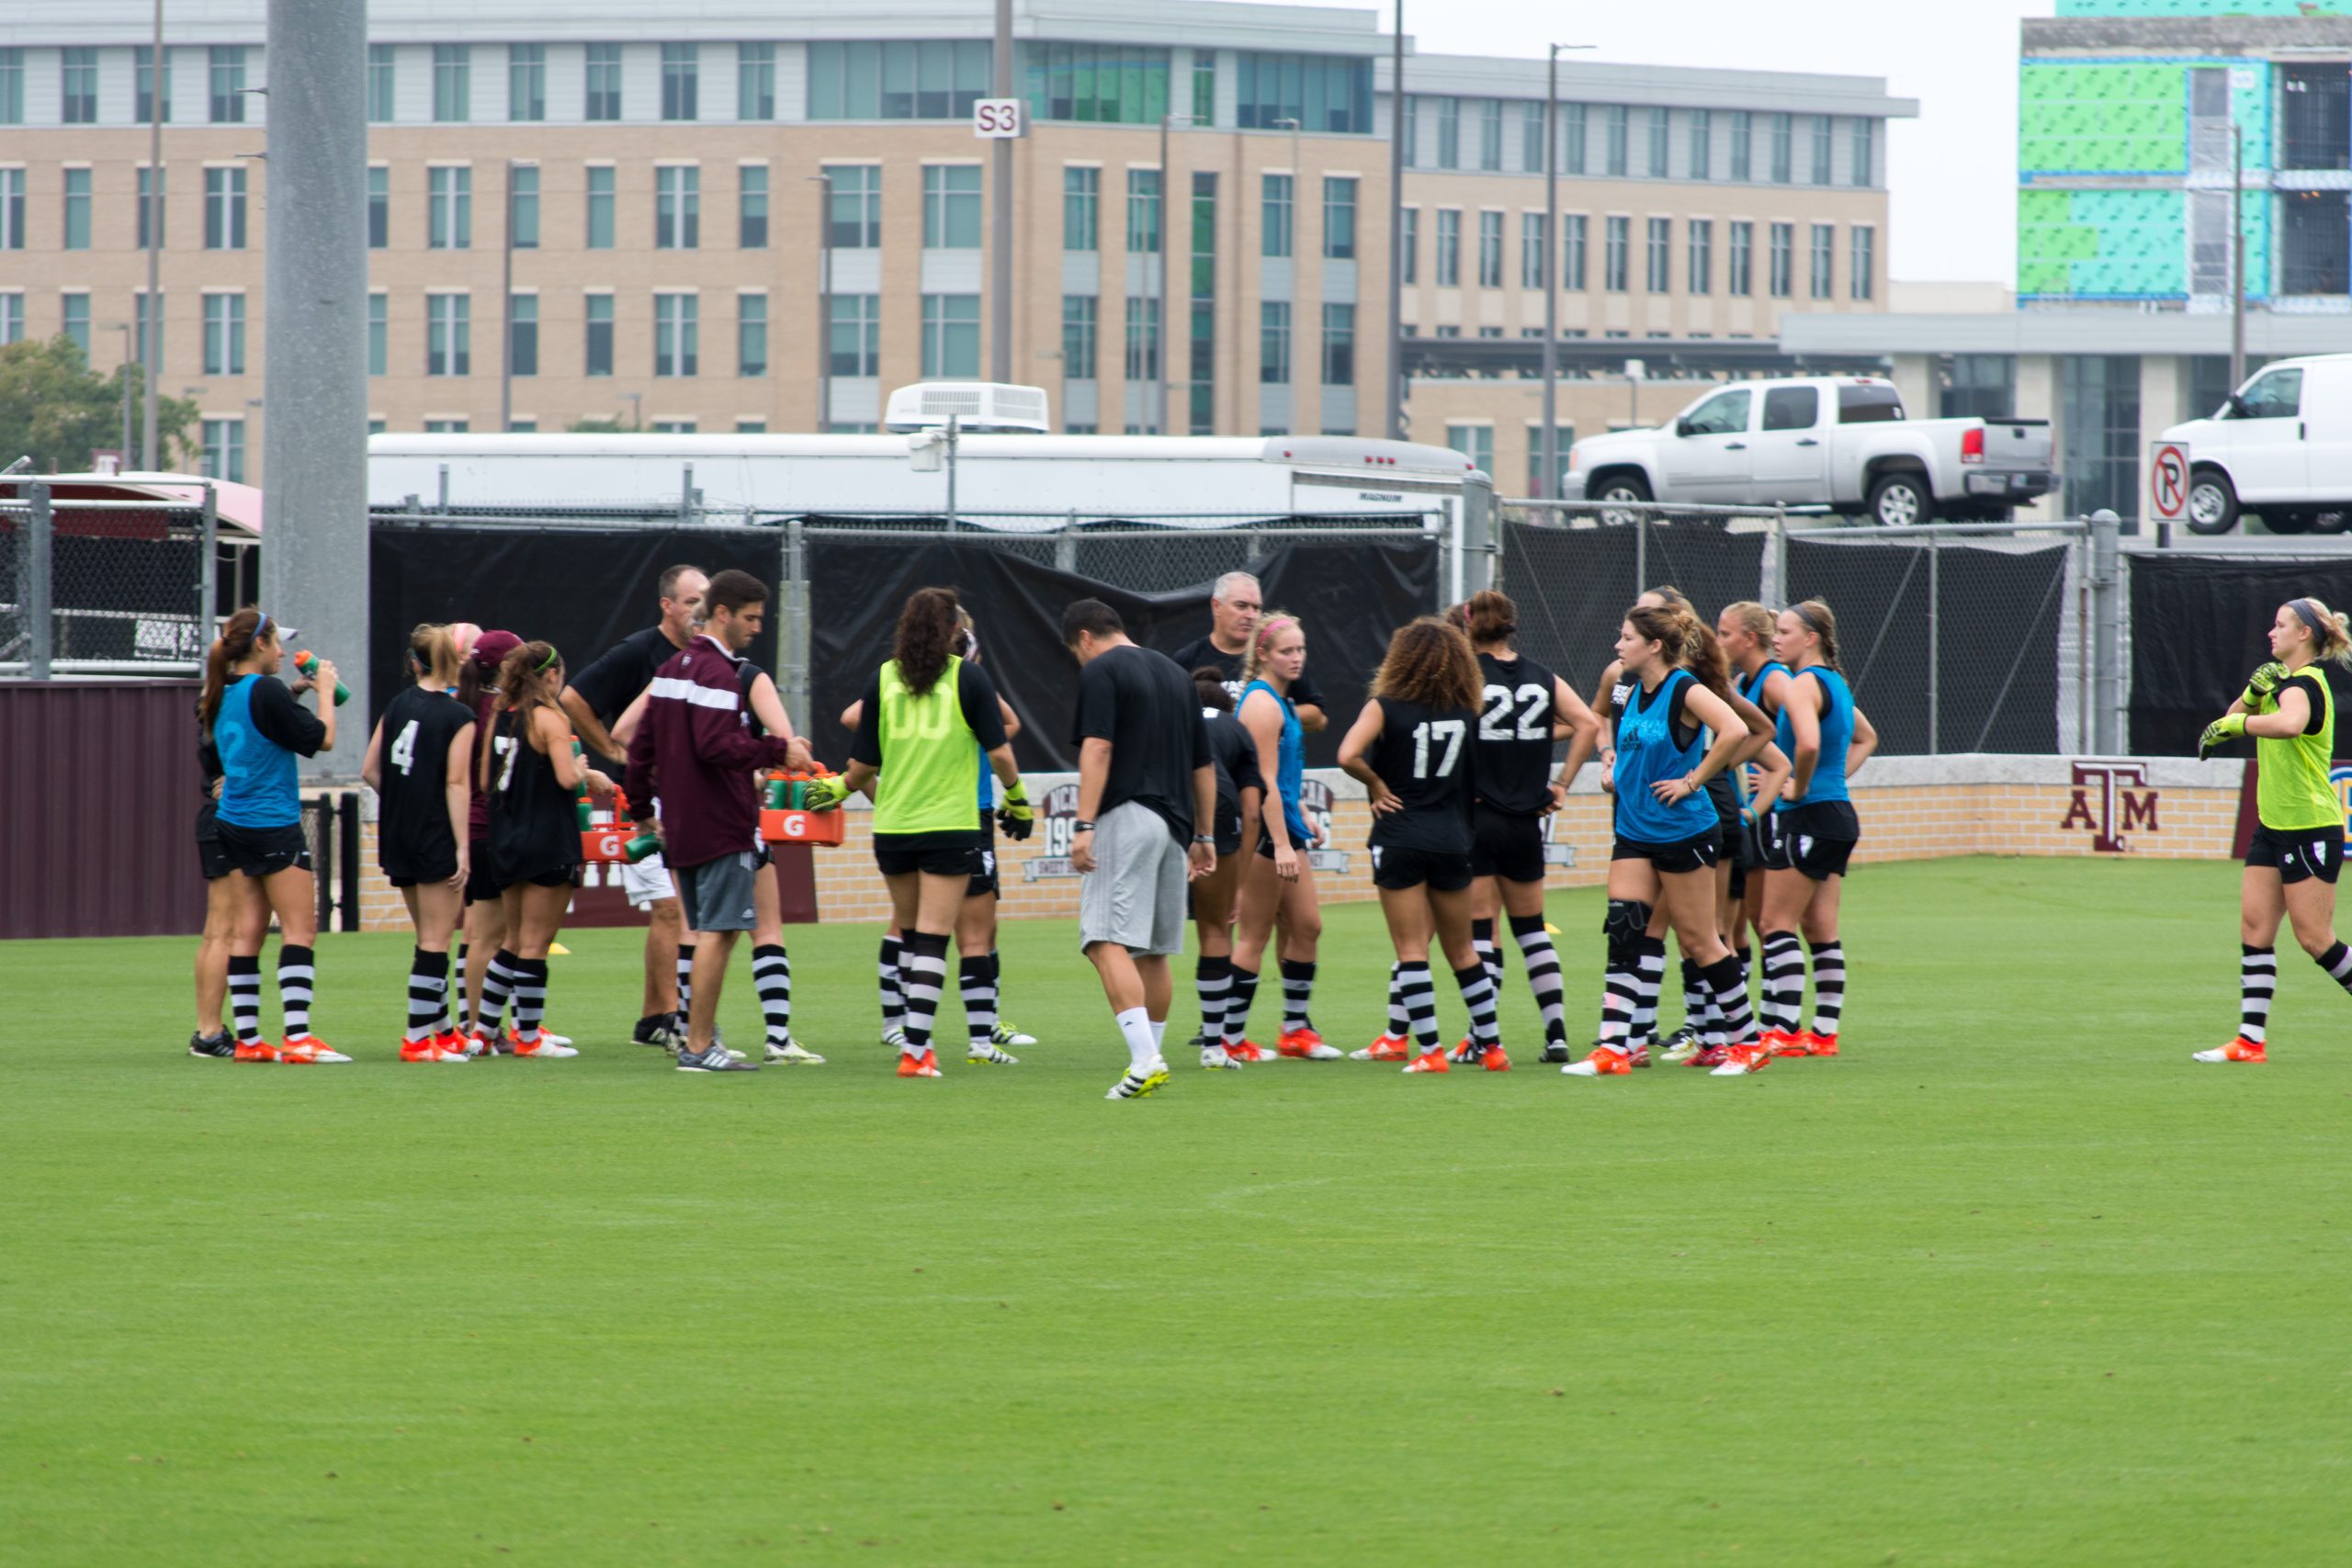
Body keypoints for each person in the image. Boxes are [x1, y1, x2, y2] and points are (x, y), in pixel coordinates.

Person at [817, 588, 1031, 1078]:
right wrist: (1017, 800)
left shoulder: (883, 679)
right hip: (950, 826)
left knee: (912, 937)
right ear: (953, 631)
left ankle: (912, 1041)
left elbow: (861, 765)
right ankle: (917, 1050)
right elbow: (1000, 752)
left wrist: (835, 789)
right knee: (935, 939)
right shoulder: (969, 678)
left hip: (891, 827)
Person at [626, 570, 821, 1074]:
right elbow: (715, 745)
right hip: (720, 822)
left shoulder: (672, 667)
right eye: (751, 618)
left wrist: (645, 814)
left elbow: (639, 749)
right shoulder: (716, 673)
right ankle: (698, 1046)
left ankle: (696, 1040)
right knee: (721, 931)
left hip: (683, 825)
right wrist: (779, 750)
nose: (757, 627)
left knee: (703, 931)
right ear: (722, 613)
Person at [1566, 604, 1768, 1079]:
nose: (1618, 646)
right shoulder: (1633, 690)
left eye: (1627, 638)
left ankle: (1749, 1043)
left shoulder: (1683, 687)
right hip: (1634, 832)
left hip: (1685, 832)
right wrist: (1612, 764)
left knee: (1701, 941)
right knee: (1624, 930)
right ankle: (1613, 1049)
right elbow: (1618, 737)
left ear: (1654, 646)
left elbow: (1736, 730)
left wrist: (1693, 780)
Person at [564, 565, 737, 1050]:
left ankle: (659, 1019)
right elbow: (574, 697)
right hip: (642, 803)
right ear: (667, 605)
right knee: (668, 909)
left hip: (690, 803)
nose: (698, 610)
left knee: (682, 912)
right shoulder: (640, 651)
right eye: (690, 601)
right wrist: (615, 753)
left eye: (705, 601)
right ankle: (673, 1020)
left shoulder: (711, 658)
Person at [1436, 589, 1602, 1066]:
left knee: (1482, 932)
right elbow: (1587, 723)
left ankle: (1483, 1038)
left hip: (1479, 814)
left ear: (1469, 625)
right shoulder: (1539, 676)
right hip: (1526, 822)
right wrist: (1562, 784)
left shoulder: (1466, 677)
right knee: (1531, 929)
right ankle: (1556, 1035)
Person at [1058, 598, 1216, 1100]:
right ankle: (1154, 1056)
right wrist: (1204, 835)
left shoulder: (1102, 669)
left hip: (1126, 816)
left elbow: (1098, 747)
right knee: (1153, 951)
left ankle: (1145, 1058)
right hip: (1175, 825)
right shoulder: (1176, 674)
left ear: (1084, 638)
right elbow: (1203, 766)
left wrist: (1083, 823)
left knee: (1103, 939)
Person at [1337, 617, 1508, 1073]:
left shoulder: (1385, 706)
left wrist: (1375, 783)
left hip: (1400, 835)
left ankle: (1430, 1051)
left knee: (1412, 950)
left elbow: (1346, 754)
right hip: (1453, 838)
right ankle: (1492, 1048)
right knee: (1465, 951)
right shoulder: (1467, 709)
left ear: (1401, 659)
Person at [2194, 598, 2352, 1063]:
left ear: (2304, 634)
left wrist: (2239, 722)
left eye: (2280, 625)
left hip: (2308, 827)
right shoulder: (2279, 683)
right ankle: (2249, 1041)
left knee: (2315, 939)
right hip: (2273, 826)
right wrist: (2248, 694)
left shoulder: (2305, 684)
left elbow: (2289, 724)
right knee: (2255, 928)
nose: (2271, 631)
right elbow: (2231, 716)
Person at [199, 608, 345, 1064]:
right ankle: (298, 1038)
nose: (283, 651)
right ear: (259, 645)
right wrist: (323, 691)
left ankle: (247, 1040)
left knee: (249, 932)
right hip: (272, 820)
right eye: (277, 643)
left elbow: (266, 729)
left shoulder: (222, 691)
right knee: (301, 928)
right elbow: (322, 740)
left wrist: (294, 693)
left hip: (234, 822)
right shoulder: (267, 688)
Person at [1755, 600, 1880, 1060]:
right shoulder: (1835, 683)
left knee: (1774, 924)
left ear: (1811, 638)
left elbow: (1807, 743)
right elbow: (1867, 737)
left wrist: (1797, 787)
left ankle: (1783, 1030)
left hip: (1808, 815)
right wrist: (1831, 781)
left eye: (1785, 631)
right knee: (1820, 929)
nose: (1777, 638)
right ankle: (1824, 1034)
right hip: (1837, 816)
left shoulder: (1803, 684)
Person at [481, 640, 612, 1061]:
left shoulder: (501, 715)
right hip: (546, 838)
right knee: (536, 943)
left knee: (514, 940)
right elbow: (566, 778)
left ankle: (483, 1032)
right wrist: (586, 771)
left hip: (506, 837)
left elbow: (485, 779)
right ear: (551, 675)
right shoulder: (550, 718)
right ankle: (529, 1037)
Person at [1223, 613, 1339, 1061]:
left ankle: (1294, 1030)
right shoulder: (1262, 703)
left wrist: (1303, 813)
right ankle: (1229, 1039)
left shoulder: (1286, 704)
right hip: (1261, 834)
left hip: (1284, 827)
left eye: (1301, 650)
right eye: (1287, 651)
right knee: (1254, 936)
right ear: (1263, 655)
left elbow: (1285, 779)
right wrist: (1282, 842)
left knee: (1307, 926)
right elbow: (1262, 782)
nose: (1296, 659)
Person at [362, 624, 479, 1064]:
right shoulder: (459, 716)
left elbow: (370, 770)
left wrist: (402, 803)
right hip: (434, 837)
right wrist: (462, 847)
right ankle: (416, 1041)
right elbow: (456, 783)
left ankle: (444, 1031)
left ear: (414, 663)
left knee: (430, 935)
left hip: (398, 834)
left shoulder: (397, 704)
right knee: (435, 939)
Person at [1719, 602, 1794, 1021]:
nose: (1718, 641)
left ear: (1749, 638)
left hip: (1773, 816)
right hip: (1749, 814)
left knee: (1769, 925)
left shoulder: (1775, 680)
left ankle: (1777, 1021)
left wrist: (1787, 778)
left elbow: (1814, 726)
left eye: (1725, 634)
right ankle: (1739, 1017)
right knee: (1739, 926)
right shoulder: (1742, 680)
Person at [1190, 663, 1264, 1068]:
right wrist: (1238, 883)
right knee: (1216, 930)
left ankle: (1145, 1044)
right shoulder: (1238, 731)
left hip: (1163, 809)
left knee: (1147, 943)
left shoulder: (1175, 721)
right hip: (1217, 811)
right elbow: (1252, 814)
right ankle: (1213, 1046)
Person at [454, 628, 524, 1051]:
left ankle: (480, 1024)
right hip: (490, 829)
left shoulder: (467, 706)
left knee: (485, 935)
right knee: (489, 936)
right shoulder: (496, 710)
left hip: (476, 829)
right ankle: (481, 1028)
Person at [1170, 570, 1329, 731]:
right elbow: (1169, 717)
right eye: (1241, 606)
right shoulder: (1188, 659)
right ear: (1216, 606)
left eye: (1256, 608)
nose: (1251, 615)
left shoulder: (1272, 657)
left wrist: (1262, 713)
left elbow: (1318, 718)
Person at [187, 705, 238, 1058]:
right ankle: (208, 1031)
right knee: (223, 931)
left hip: (214, 818)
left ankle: (209, 1027)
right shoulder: (231, 702)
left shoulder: (215, 698)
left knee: (216, 932)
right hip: (226, 818)